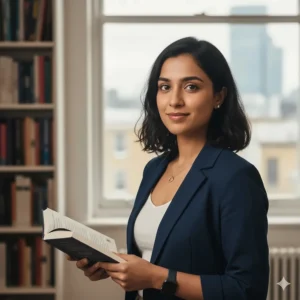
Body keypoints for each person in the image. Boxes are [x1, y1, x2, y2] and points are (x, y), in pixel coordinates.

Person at [68, 37, 270, 300]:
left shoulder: (236, 177)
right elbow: (154, 254)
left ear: (218, 96)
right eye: (165, 87)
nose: (174, 100)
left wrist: (154, 276)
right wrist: (114, 266)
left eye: (191, 87)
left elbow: (247, 290)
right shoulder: (154, 169)